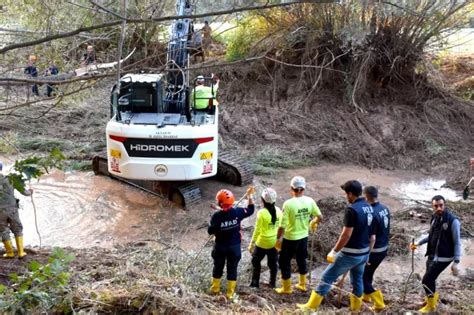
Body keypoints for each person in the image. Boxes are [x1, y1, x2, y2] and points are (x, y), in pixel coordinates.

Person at [297, 180, 375, 312]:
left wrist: (334, 251)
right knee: (357, 280)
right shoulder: (369, 207)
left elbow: (346, 235)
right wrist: (368, 253)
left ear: (350, 194)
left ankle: (310, 307)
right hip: (363, 253)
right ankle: (355, 309)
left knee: (326, 277)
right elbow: (372, 233)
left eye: (346, 194)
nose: (346, 197)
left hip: (350, 253)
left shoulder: (352, 210)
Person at [410, 195, 462, 313]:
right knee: (431, 279)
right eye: (436, 206)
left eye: (441, 205)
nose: (439, 208)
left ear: (445, 205)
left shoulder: (453, 221)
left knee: (426, 280)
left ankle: (431, 306)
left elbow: (458, 242)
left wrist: (457, 262)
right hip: (432, 255)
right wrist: (418, 243)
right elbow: (432, 235)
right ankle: (430, 300)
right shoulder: (434, 218)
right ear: (432, 206)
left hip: (444, 257)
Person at [275, 176, 322, 294]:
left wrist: (277, 238)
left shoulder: (288, 204)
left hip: (290, 238)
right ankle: (302, 284)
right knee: (302, 259)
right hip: (304, 237)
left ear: (292, 188)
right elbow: (320, 216)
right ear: (304, 188)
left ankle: (286, 288)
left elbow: (282, 225)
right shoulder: (310, 201)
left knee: (284, 261)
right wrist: (313, 222)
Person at [208, 186, 255, 299]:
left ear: (219, 203)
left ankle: (215, 289)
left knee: (218, 267)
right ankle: (230, 294)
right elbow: (251, 209)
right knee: (232, 269)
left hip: (220, 247)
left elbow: (210, 231)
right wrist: (250, 196)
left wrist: (215, 222)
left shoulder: (216, 216)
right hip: (234, 248)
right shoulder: (237, 212)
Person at [362, 186, 390, 312]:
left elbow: (372, 238)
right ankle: (366, 297)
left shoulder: (371, 213)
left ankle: (379, 303)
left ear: (367, 196)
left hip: (374, 250)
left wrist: (367, 254)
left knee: (363, 279)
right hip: (383, 248)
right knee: (369, 274)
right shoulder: (385, 208)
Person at [248, 187, 282, 288]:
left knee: (256, 262)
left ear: (263, 200)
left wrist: (251, 244)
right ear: (274, 200)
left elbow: (257, 230)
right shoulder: (279, 211)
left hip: (262, 243)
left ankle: (255, 283)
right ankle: (272, 283)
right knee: (273, 264)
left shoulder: (261, 213)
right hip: (274, 243)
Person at [0, 161, 33, 258]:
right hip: (12, 210)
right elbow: (25, 193)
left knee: (3, 230)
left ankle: (10, 253)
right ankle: (21, 252)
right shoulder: (11, 179)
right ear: (1, 168)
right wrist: (31, 191)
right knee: (17, 228)